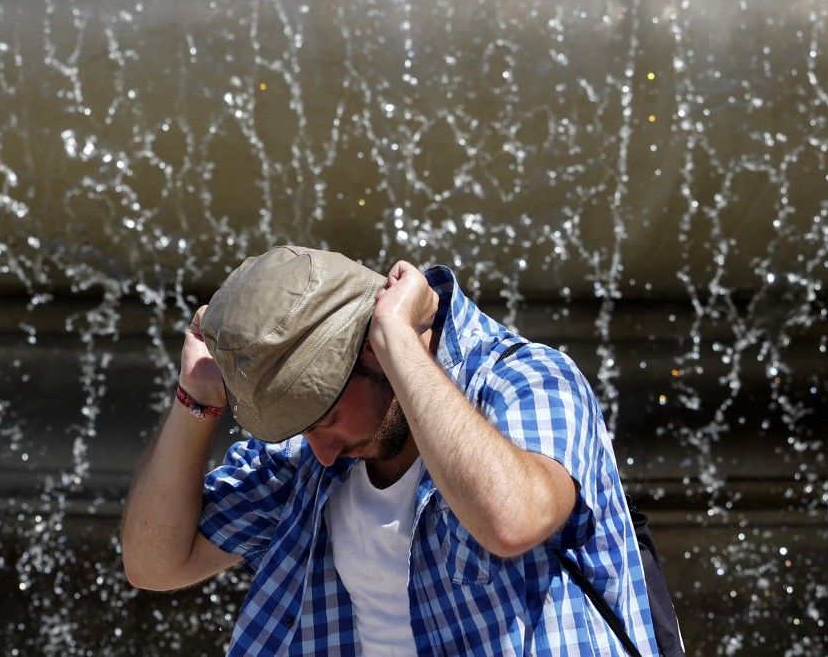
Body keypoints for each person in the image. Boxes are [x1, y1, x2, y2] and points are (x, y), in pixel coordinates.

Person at [121, 246, 658, 656]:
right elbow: (154, 563)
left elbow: (510, 521)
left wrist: (399, 339)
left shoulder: (528, 380)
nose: (322, 450)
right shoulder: (308, 460)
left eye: (327, 419)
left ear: (374, 354)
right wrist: (196, 397)